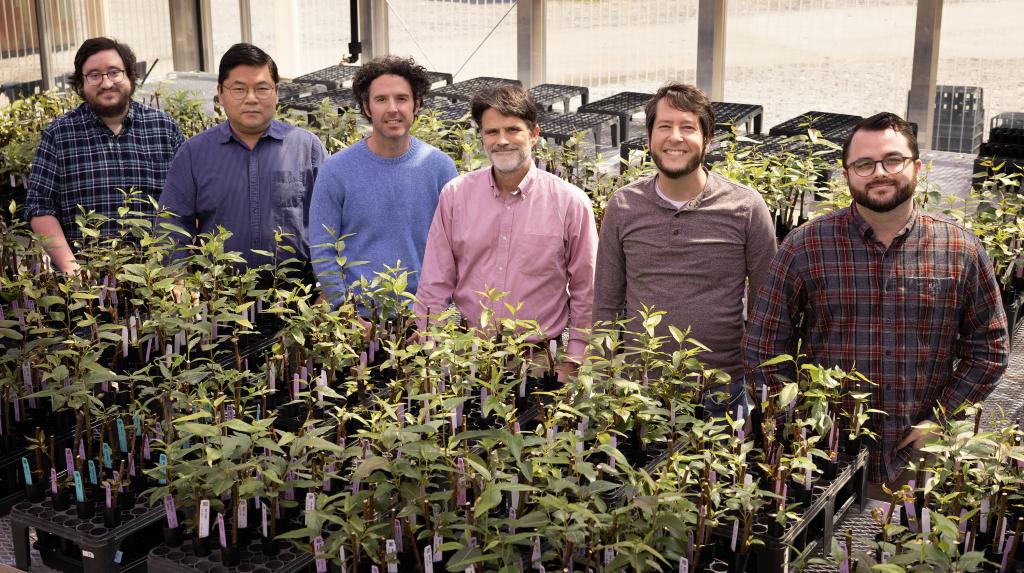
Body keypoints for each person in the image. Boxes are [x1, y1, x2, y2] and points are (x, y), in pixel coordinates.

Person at [743, 112, 1009, 492]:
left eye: (893, 160)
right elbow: (762, 346)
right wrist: (795, 424)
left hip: (918, 454)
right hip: (823, 456)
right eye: (864, 164)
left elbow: (990, 348)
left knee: (909, 546)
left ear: (917, 167)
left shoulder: (960, 249)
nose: (879, 172)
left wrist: (941, 418)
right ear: (846, 174)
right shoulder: (806, 245)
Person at [592, 82, 776, 411]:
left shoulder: (745, 207)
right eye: (664, 126)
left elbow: (768, 310)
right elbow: (606, 305)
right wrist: (600, 383)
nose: (675, 137)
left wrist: (761, 396)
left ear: (707, 139)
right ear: (648, 138)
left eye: (688, 127)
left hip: (721, 389)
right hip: (640, 388)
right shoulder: (624, 206)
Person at [414, 84, 598, 377]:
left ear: (534, 135)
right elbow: (435, 279)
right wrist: (430, 342)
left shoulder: (569, 203)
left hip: (538, 360)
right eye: (491, 132)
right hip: (467, 354)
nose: (502, 141)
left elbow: (586, 290)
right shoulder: (456, 195)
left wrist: (575, 359)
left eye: (512, 130)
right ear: (481, 137)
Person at [159, 43, 327, 271]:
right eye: (238, 89)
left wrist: (327, 290)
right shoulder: (194, 153)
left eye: (262, 88)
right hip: (219, 296)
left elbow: (333, 224)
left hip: (296, 296)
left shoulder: (307, 148)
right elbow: (171, 224)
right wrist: (178, 280)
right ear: (220, 92)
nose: (251, 98)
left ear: (276, 92)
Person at [24, 37, 184, 273]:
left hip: (158, 279)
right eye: (94, 75)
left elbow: (190, 200)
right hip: (86, 285)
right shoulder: (59, 135)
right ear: (80, 83)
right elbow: (40, 208)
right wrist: (73, 272)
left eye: (114, 72)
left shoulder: (164, 128)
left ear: (129, 75)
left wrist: (178, 271)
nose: (106, 83)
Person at [309, 56, 457, 304]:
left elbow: (455, 251)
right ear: (367, 108)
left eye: (402, 98)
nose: (392, 108)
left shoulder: (440, 168)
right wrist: (346, 312)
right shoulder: (336, 171)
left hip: (423, 315)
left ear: (416, 104)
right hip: (356, 317)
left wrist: (432, 315)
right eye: (381, 99)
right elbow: (323, 250)